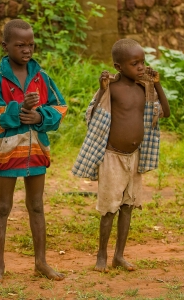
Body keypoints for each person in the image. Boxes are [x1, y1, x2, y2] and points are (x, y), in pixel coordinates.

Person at [72, 39, 170, 272]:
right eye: (134, 63)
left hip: (134, 157)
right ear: (118, 66)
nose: (141, 67)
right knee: (109, 208)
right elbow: (93, 115)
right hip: (112, 158)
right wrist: (103, 88)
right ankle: (101, 257)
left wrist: (157, 85)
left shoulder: (144, 90)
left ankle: (119, 256)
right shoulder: (112, 89)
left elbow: (165, 112)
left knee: (128, 207)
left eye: (143, 62)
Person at [0, 19, 67, 283]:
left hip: (36, 150)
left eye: (31, 44)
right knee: (3, 207)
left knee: (36, 206)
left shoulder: (41, 77)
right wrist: (20, 110)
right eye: (20, 45)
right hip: (9, 152)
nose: (27, 50)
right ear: (5, 45)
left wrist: (39, 117)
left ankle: (41, 262)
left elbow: (59, 108)